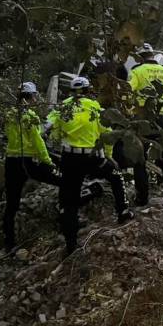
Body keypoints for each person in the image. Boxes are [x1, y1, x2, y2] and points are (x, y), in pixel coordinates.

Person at [51, 76, 133, 256]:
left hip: (69, 158)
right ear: (89, 90)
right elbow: (108, 134)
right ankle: (123, 211)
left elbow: (53, 132)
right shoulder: (95, 107)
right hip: (91, 157)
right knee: (115, 176)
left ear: (72, 92)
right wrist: (109, 156)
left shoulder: (63, 106)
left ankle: (70, 244)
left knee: (68, 201)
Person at [3, 82, 61, 252]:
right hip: (27, 161)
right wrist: (47, 161)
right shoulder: (30, 117)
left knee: (11, 203)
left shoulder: (8, 114)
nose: (36, 98)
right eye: (34, 95)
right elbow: (38, 141)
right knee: (59, 180)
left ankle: (9, 244)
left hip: (11, 161)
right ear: (30, 96)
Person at [127, 44, 163, 205]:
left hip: (143, 117)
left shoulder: (136, 71)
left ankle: (142, 197)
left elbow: (128, 91)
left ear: (140, 57)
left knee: (139, 157)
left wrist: (130, 114)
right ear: (153, 55)